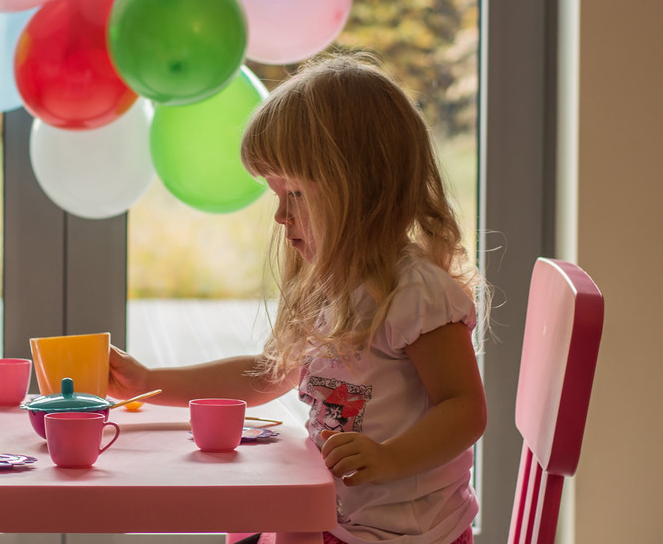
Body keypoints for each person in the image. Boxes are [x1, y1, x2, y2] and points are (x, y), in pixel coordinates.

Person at [108, 52, 487, 544]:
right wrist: (149, 381)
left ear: (361, 187)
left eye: (297, 195)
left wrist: (390, 457)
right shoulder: (330, 282)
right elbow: (269, 373)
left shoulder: (416, 294)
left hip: (401, 531)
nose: (281, 217)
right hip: (338, 514)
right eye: (276, 195)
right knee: (245, 513)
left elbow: (464, 408)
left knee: (264, 518)